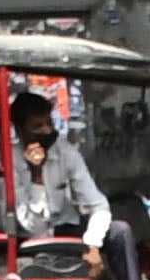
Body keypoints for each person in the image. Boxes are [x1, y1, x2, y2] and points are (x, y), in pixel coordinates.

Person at [7, 83, 109, 257]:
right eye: (37, 127)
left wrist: (93, 245)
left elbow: (98, 204)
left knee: (121, 232)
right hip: (31, 239)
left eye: (49, 124)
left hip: (67, 229)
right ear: (20, 130)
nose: (46, 131)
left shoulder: (65, 152)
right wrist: (36, 175)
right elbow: (34, 226)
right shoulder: (11, 161)